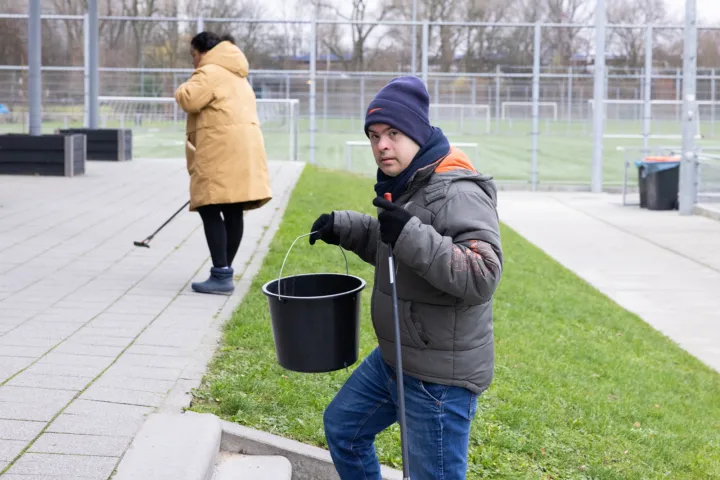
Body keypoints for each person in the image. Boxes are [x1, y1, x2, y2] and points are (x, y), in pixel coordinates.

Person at [308, 76, 503, 479]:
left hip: (439, 377)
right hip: (396, 357)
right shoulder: (411, 181)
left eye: (393, 133)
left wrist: (410, 233)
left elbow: (483, 275)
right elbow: (396, 247)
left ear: (416, 133)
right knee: (344, 430)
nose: (382, 145)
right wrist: (343, 228)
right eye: (374, 135)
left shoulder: (457, 190)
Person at [175, 32, 272, 295]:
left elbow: (189, 99)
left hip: (221, 148)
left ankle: (220, 274)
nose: (194, 62)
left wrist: (181, 87)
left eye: (194, 56)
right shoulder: (238, 74)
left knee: (208, 205)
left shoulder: (210, 71)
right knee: (232, 209)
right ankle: (225, 270)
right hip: (244, 149)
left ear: (203, 52)